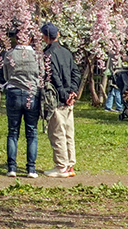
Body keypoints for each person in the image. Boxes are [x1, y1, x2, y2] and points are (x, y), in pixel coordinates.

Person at [41, 22, 80, 178]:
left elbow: (54, 78)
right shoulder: (66, 52)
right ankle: (70, 164)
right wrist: (73, 92)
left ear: (45, 37)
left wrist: (64, 95)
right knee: (69, 133)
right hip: (69, 99)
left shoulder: (47, 55)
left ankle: (61, 166)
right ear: (57, 35)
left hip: (57, 99)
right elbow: (76, 73)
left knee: (57, 133)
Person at [3, 25, 41, 178]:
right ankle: (31, 169)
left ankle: (12, 167)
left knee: (13, 131)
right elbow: (42, 74)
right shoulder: (37, 56)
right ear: (30, 39)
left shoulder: (9, 55)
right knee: (31, 131)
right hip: (32, 93)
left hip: (13, 92)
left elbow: (6, 75)